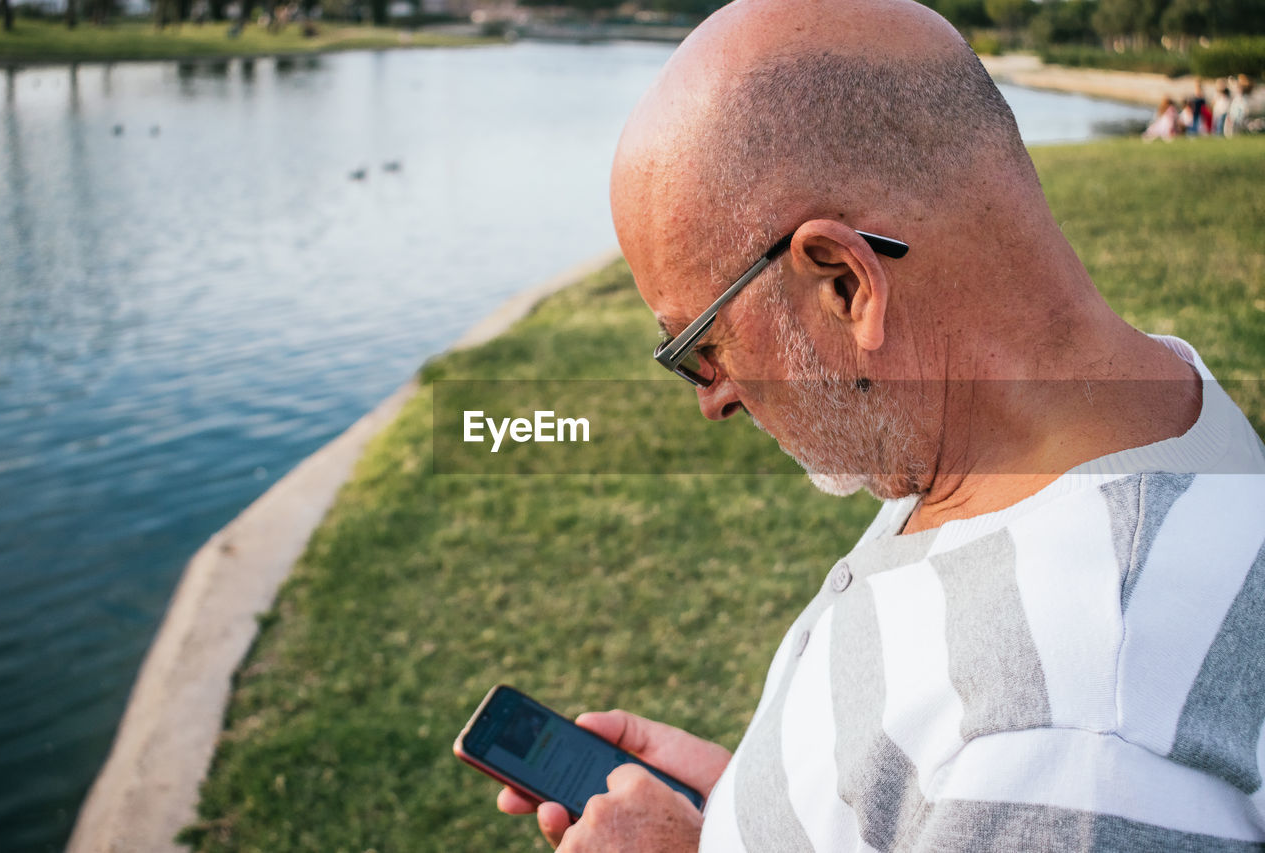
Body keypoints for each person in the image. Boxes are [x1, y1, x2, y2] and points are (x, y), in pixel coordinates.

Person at [498, 0, 1265, 849]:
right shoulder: (1086, 421)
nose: (710, 397)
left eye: (698, 345)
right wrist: (743, 811)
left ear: (846, 284)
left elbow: (1012, 778)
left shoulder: (1057, 743)